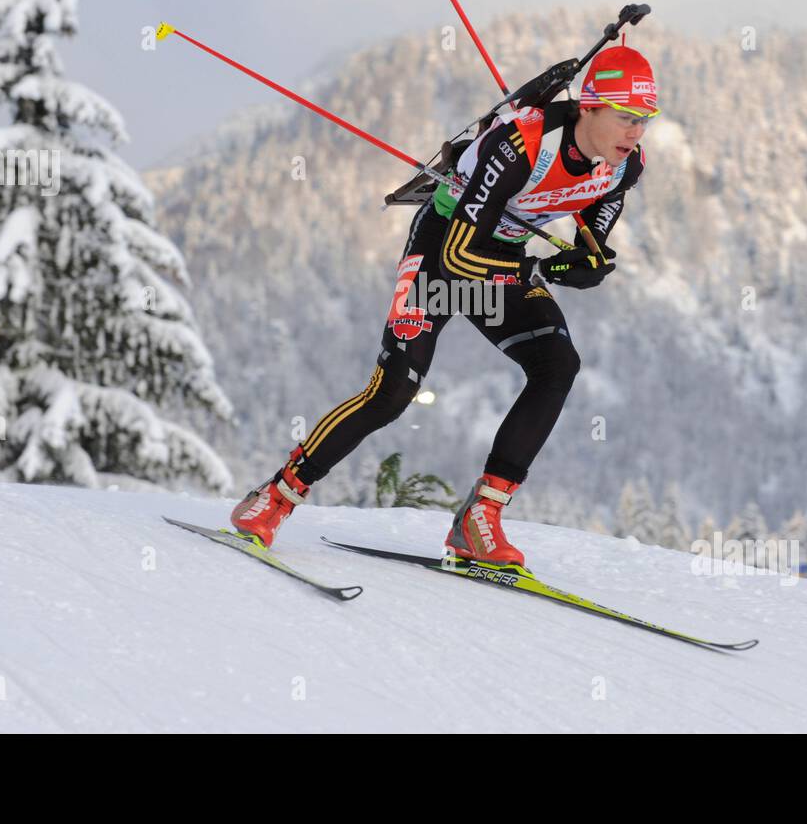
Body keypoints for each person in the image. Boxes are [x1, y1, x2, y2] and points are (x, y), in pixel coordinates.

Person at [229, 44, 657, 568]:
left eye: (645, 120)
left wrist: (592, 249)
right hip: (444, 251)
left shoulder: (624, 164)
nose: (636, 133)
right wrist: (546, 271)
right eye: (627, 117)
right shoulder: (523, 143)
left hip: (501, 256)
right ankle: (274, 496)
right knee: (394, 391)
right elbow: (460, 256)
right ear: (588, 106)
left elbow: (602, 203)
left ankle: (480, 519)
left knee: (557, 366)